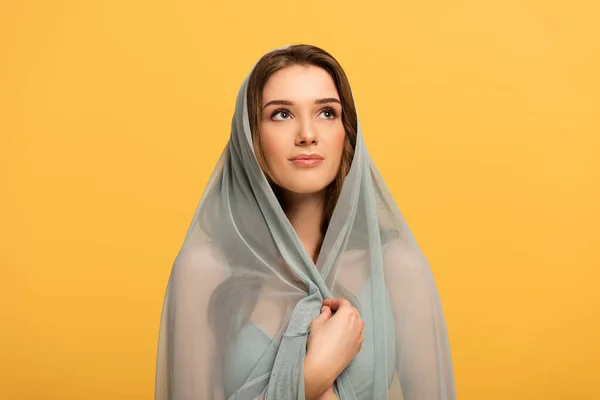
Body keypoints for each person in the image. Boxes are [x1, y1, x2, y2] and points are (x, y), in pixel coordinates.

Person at [154, 44, 456, 400]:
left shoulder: (396, 269)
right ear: (250, 137)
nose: (307, 134)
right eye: (282, 114)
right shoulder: (204, 272)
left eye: (327, 113)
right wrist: (313, 377)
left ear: (347, 134)